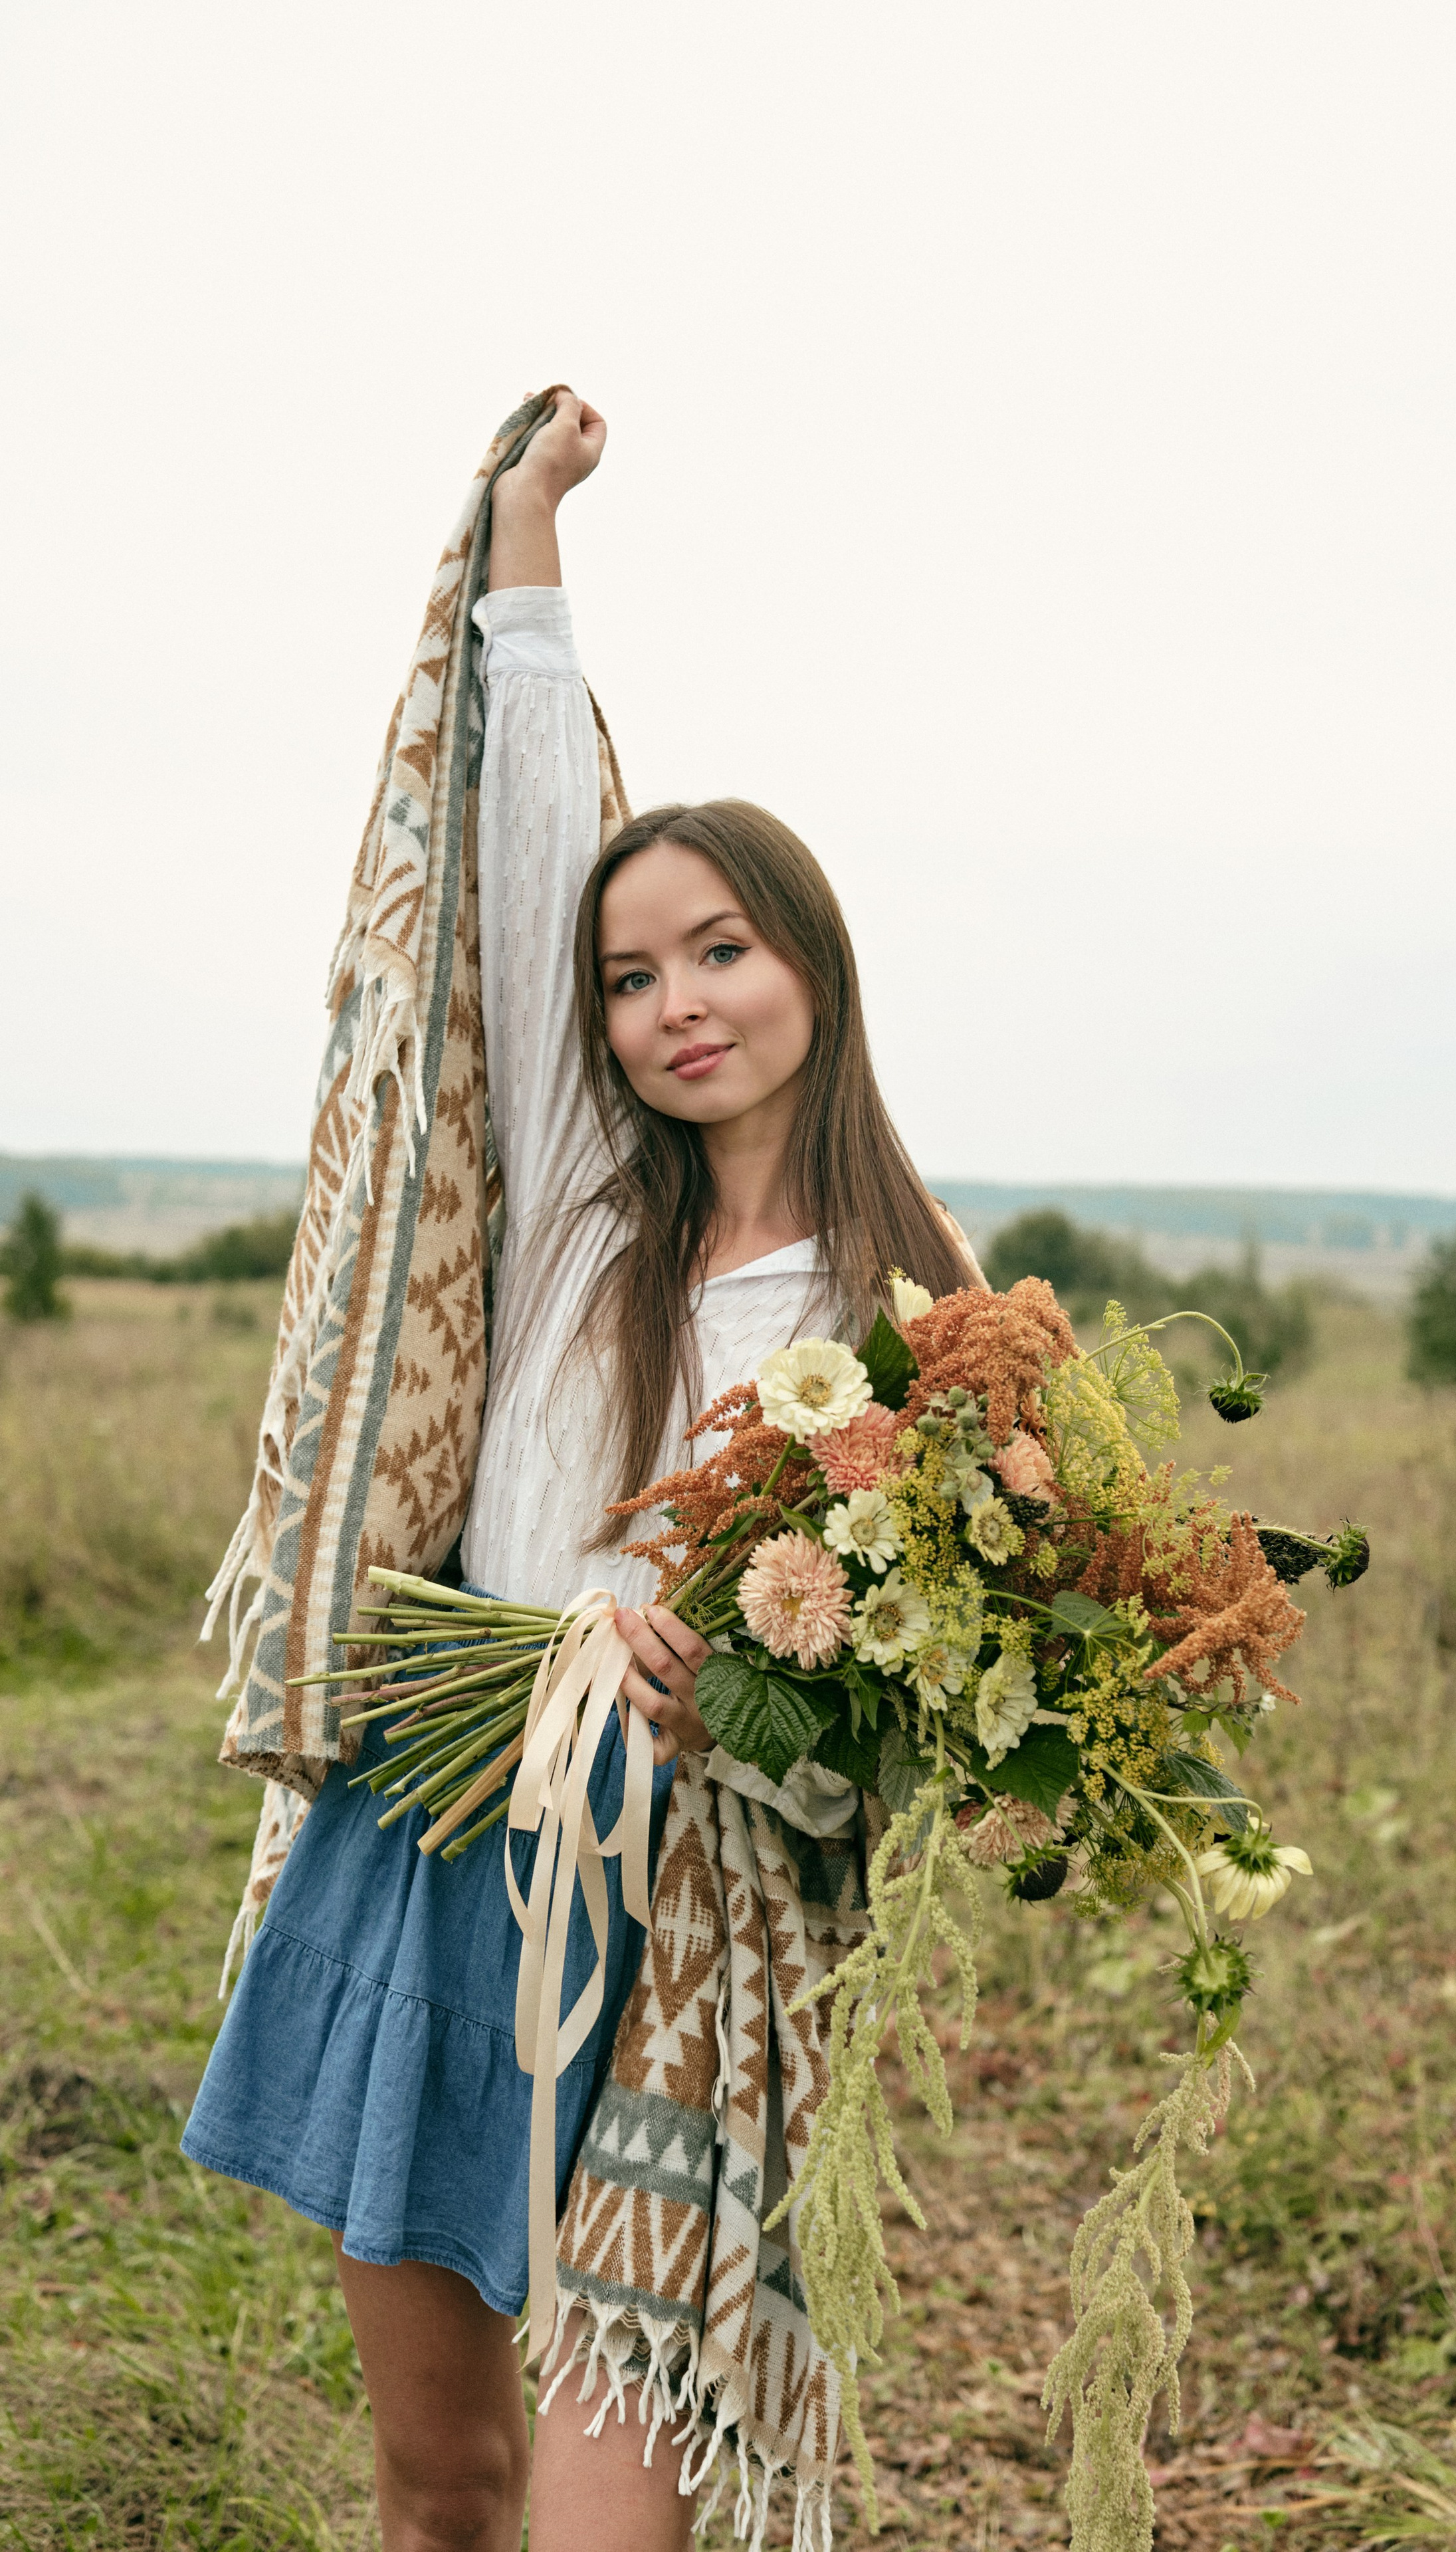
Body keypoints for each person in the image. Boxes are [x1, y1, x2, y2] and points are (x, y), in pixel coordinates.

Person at [182, 389, 976, 2552]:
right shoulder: (582, 1223)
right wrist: (527, 534)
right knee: (442, 2486)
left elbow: (920, 1703)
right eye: (633, 980)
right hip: (440, 1841)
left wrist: (731, 1698)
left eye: (721, 950)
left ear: (814, 964)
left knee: (615, 2525)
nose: (673, 1007)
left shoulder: (912, 1320)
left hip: (693, 1927)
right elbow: (535, 822)